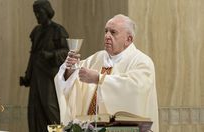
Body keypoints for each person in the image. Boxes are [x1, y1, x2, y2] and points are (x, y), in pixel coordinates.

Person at [54, 14, 159, 132]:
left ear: (128, 39)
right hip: (90, 127)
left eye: (113, 32)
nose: (107, 36)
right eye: (106, 31)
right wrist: (70, 69)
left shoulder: (142, 61)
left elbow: (135, 88)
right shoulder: (96, 58)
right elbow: (71, 83)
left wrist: (99, 79)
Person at [19, 0, 69, 131]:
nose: (37, 16)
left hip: (50, 76)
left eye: (39, 13)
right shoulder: (36, 31)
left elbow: (66, 52)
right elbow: (33, 55)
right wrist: (27, 76)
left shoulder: (58, 30)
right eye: (35, 13)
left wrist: (51, 55)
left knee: (49, 106)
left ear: (47, 12)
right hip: (36, 75)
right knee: (35, 109)